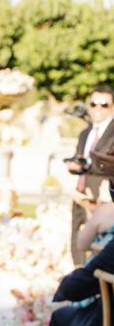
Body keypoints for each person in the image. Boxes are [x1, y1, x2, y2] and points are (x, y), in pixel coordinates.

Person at [66, 86, 114, 264]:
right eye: (94, 104)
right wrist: (74, 165)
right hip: (80, 191)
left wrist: (88, 165)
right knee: (76, 236)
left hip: (102, 195)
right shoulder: (85, 132)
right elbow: (81, 158)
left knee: (98, 246)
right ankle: (78, 267)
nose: (98, 108)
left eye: (104, 104)